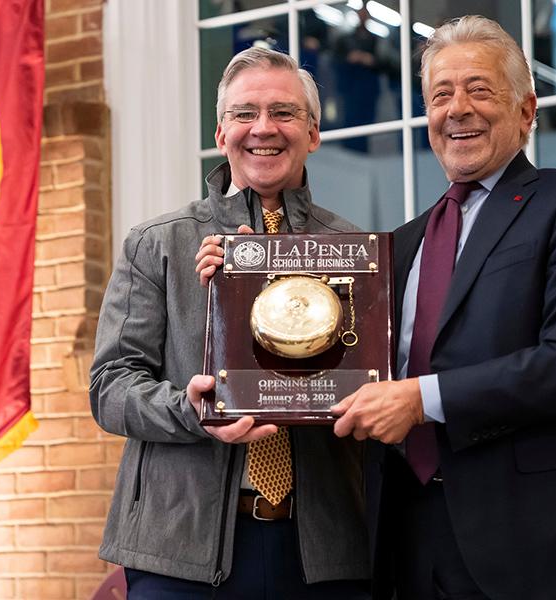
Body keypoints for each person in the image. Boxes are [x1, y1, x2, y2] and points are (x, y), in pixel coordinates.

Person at [328, 15, 556, 599]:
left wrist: (421, 400)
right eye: (440, 95)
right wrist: (235, 281)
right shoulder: (399, 244)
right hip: (407, 540)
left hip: (537, 543)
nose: (458, 109)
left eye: (479, 89)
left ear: (526, 111)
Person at [90, 47, 371, 598]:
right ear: (221, 135)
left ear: (313, 133)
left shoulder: (353, 252)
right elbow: (110, 388)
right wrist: (190, 411)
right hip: (180, 554)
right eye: (244, 114)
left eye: (284, 113)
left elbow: (375, 381)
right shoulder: (158, 244)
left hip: (323, 552)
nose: (263, 128)